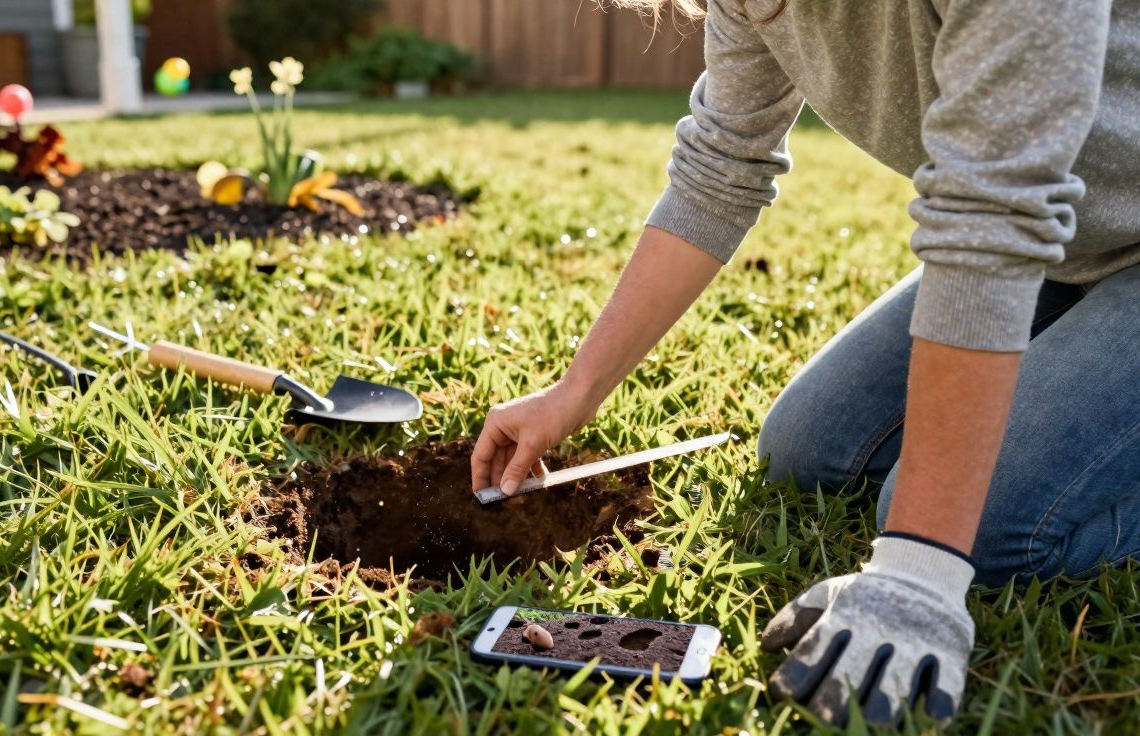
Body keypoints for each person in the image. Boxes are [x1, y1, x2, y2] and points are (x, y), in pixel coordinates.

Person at [470, 0, 1140, 725]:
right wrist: (577, 390)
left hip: (1033, 227)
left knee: (986, 533)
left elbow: (991, 218)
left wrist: (919, 571)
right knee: (811, 449)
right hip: (1069, 245)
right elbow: (721, 165)